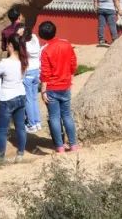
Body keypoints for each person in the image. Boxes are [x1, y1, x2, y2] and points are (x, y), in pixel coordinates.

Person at [38, 21, 79, 153]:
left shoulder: (45, 50)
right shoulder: (66, 44)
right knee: (67, 115)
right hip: (65, 86)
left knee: (54, 117)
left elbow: (45, 72)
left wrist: (43, 91)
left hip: (51, 88)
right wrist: (70, 76)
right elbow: (73, 64)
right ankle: (73, 145)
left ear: (42, 35)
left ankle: (60, 147)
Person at [0, 34, 28, 160]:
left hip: (7, 98)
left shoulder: (4, 63)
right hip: (21, 96)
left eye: (7, 44)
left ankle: (0, 157)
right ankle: (20, 154)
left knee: (2, 130)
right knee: (20, 127)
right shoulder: (24, 62)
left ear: (11, 45)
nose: (6, 46)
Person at [19, 24, 43, 133]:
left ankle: (31, 124)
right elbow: (30, 35)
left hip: (28, 73)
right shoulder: (35, 39)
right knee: (34, 99)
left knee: (28, 99)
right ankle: (37, 122)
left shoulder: (24, 45)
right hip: (36, 72)